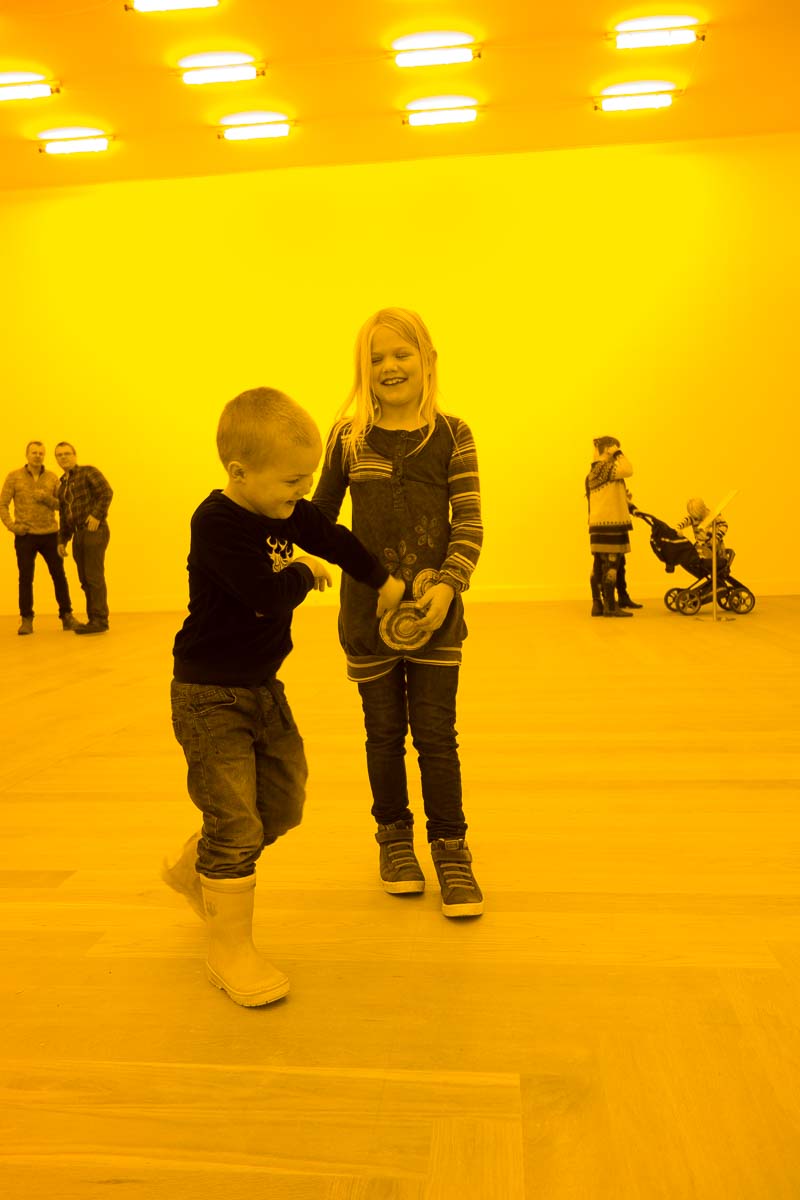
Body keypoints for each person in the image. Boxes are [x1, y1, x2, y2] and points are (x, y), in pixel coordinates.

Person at [163, 386, 404, 1008]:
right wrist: (304, 570)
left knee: (282, 805)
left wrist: (382, 580)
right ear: (239, 472)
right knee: (237, 822)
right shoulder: (216, 523)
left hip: (262, 687)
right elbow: (264, 596)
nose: (302, 493)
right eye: (292, 482)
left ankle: (198, 865)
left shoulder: (286, 510)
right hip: (208, 694)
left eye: (307, 480)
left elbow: (334, 536)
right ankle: (229, 949)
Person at [312, 307, 485, 919]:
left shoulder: (454, 435)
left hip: (438, 617)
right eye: (376, 357)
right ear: (363, 369)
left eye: (401, 353)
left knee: (436, 736)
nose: (389, 366)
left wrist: (450, 584)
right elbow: (320, 518)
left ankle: (451, 848)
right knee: (383, 734)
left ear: (427, 360)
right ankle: (394, 840)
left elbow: (469, 522)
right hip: (367, 618)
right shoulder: (347, 438)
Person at [0, 441, 81, 635]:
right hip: (25, 536)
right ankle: (26, 619)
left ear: (44, 456)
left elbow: (62, 506)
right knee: (25, 578)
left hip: (50, 534)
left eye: (40, 453)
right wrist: (12, 526)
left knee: (59, 575)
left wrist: (46, 498)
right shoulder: (14, 477)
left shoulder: (52, 477)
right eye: (34, 452)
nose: (37, 456)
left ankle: (67, 616)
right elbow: (2, 505)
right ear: (27, 455)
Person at [55, 442, 113, 635]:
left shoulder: (88, 472)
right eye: (60, 455)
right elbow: (64, 516)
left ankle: (100, 620)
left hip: (94, 531)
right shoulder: (62, 487)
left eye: (67, 453)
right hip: (78, 534)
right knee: (85, 578)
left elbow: (106, 492)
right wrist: (62, 540)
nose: (64, 457)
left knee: (93, 576)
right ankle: (93, 620)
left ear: (75, 455)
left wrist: (96, 515)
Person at [586, 436, 634, 618]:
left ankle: (597, 604)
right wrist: (619, 453)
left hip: (598, 524)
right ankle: (610, 606)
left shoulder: (595, 471)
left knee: (599, 565)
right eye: (614, 448)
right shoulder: (604, 468)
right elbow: (628, 469)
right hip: (611, 524)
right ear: (608, 449)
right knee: (612, 565)